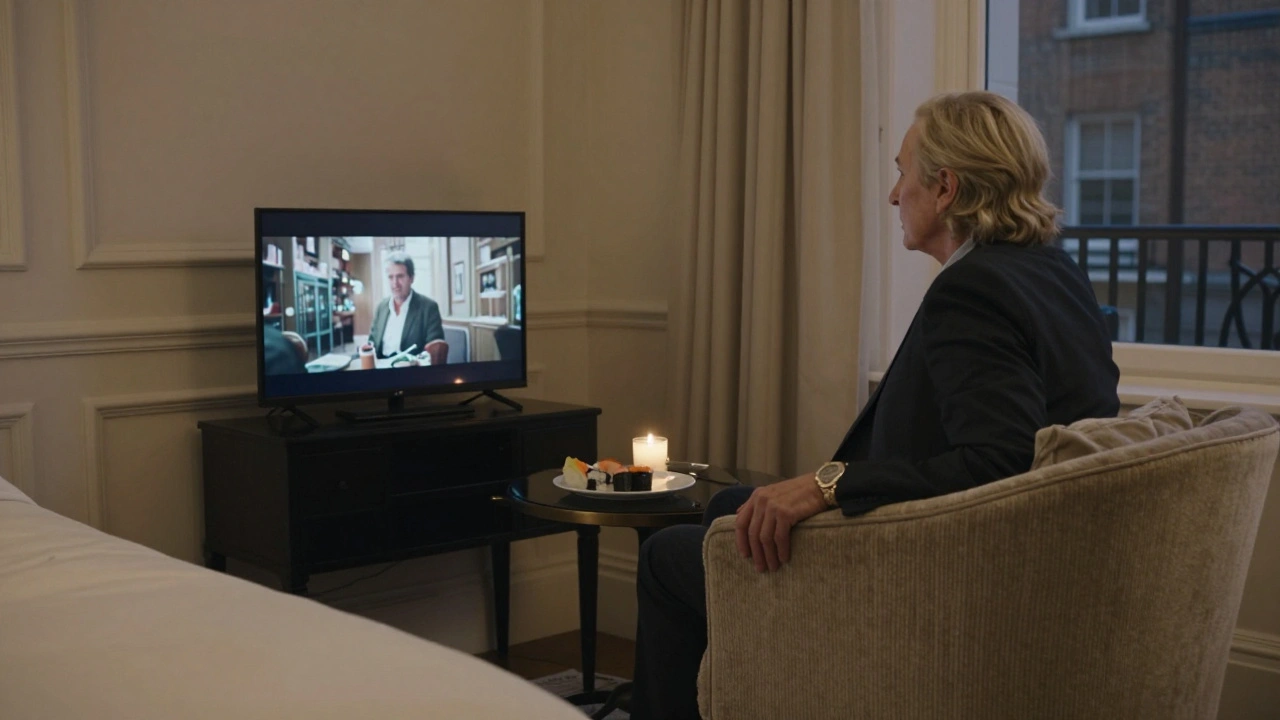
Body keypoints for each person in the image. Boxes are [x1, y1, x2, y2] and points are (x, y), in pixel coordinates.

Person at [628, 91, 1122, 720]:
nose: (894, 195)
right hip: (1020, 563)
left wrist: (829, 483)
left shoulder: (973, 289)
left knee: (666, 556)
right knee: (732, 507)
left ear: (944, 188)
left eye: (901, 172)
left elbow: (1002, 461)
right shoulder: (1052, 269)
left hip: (925, 581)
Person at [367, 251, 445, 359]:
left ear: (411, 278)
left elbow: (435, 351)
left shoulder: (429, 308)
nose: (395, 283)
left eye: (400, 276)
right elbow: (372, 343)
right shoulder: (381, 307)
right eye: (391, 277)